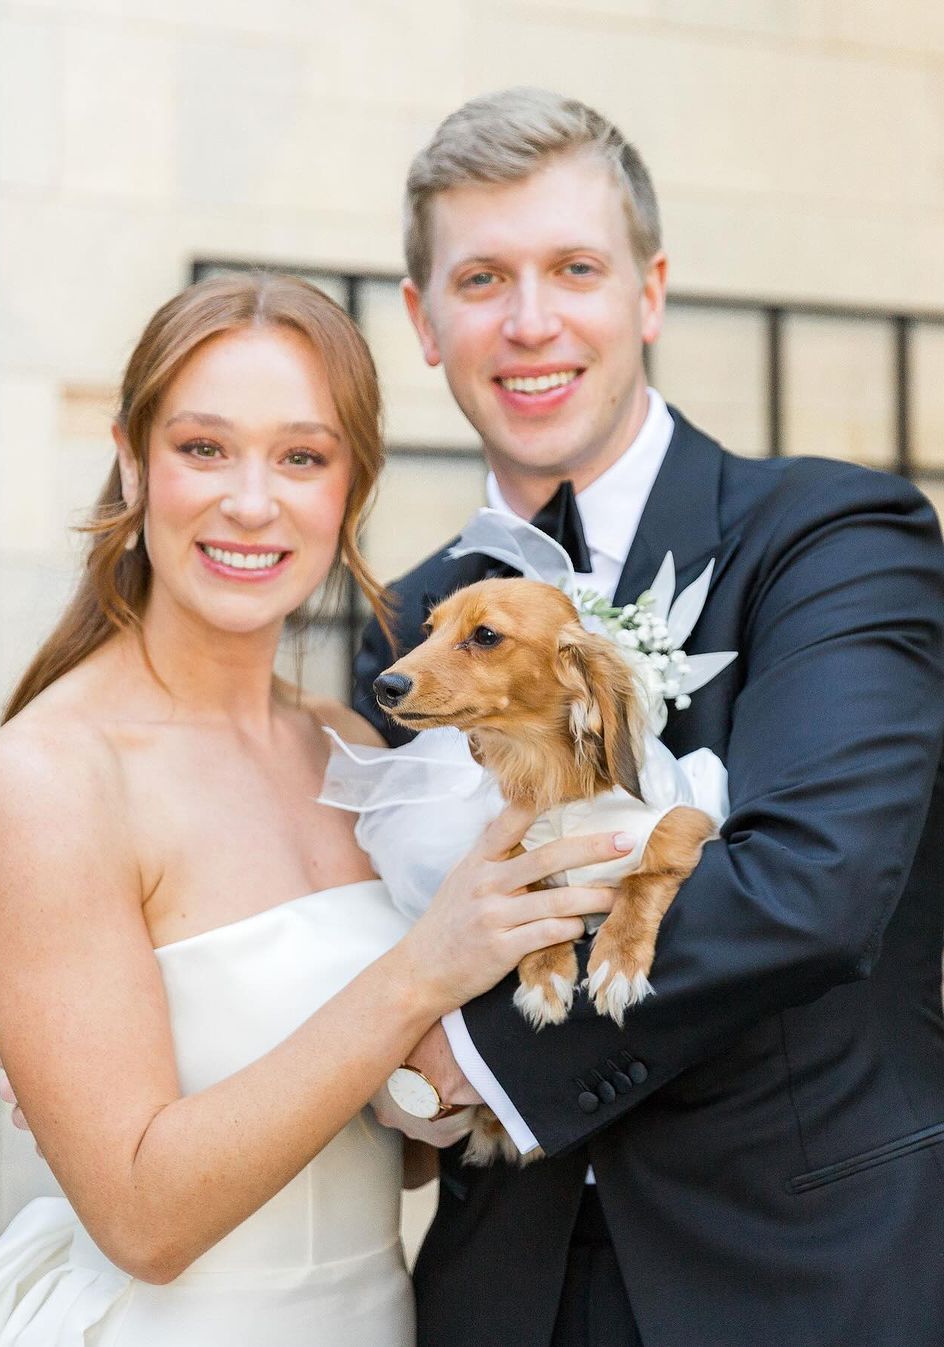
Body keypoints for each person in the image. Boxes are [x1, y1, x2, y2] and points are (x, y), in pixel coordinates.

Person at [0, 273, 627, 1347]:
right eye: (203, 449)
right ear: (132, 462)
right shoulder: (49, 779)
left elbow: (407, 1136)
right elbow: (145, 1220)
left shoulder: (353, 745)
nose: (253, 501)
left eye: (302, 456)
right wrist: (424, 968)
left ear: (349, 487)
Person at [353, 89, 944, 1347]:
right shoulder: (407, 628)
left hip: (804, 1281)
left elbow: (813, 885)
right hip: (495, 1300)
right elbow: (376, 915)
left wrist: (478, 1052)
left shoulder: (834, 540)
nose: (529, 322)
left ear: (649, 294)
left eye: (574, 268)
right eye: (481, 278)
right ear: (422, 319)